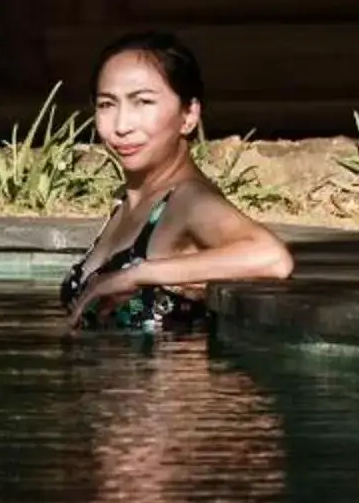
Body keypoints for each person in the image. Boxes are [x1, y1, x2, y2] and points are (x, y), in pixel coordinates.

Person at [61, 31, 295, 333]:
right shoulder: (128, 200)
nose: (121, 126)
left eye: (143, 102)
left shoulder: (187, 200)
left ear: (189, 114)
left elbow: (272, 258)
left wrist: (136, 275)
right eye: (107, 104)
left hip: (174, 379)